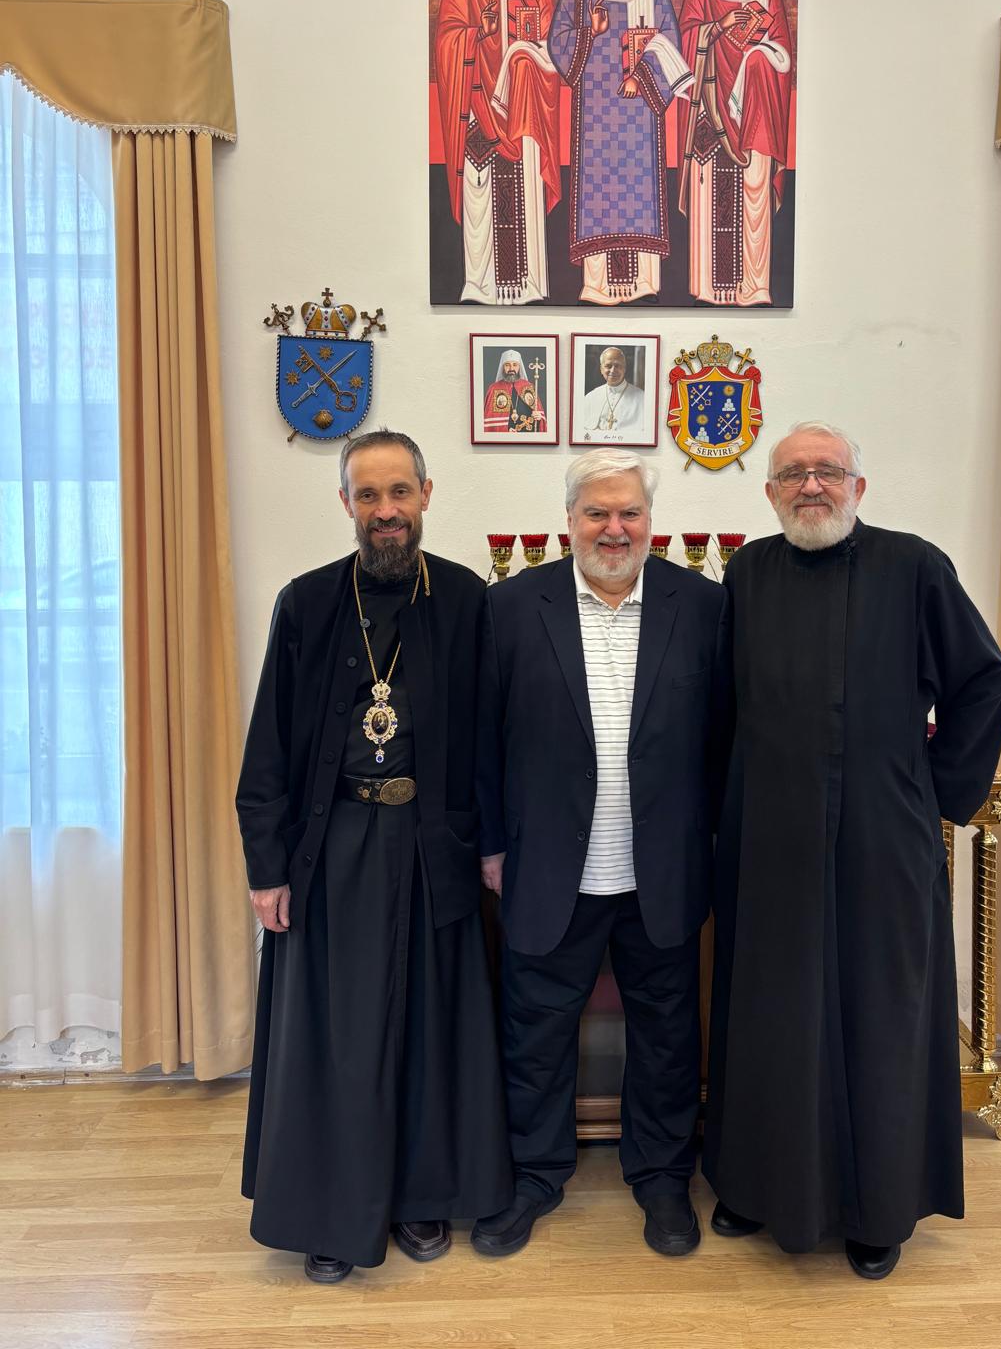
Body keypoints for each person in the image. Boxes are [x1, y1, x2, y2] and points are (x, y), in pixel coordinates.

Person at [704, 421, 1001, 1280]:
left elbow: (983, 680)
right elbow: (722, 705)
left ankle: (879, 1207)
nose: (812, 485)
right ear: (770, 492)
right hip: (770, 839)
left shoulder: (915, 568)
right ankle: (756, 1185)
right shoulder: (747, 574)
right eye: (794, 473)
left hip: (883, 838)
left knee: (882, 1016)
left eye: (828, 471)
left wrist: (932, 790)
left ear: (858, 487)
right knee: (769, 1011)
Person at [237, 429, 511, 1282]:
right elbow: (268, 746)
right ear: (346, 504)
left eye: (399, 492)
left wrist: (493, 845)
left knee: (429, 1025)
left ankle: (420, 1195)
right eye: (368, 495)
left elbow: (492, 738)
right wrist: (266, 867)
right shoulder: (307, 602)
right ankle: (331, 1210)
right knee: (338, 1034)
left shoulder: (465, 598)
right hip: (333, 846)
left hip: (433, 843)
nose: (385, 510)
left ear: (426, 495)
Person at [472, 451, 729, 1258]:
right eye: (597, 513)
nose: (614, 529)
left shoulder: (705, 605)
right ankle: (533, 1175)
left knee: (667, 1036)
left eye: (629, 513)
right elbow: (481, 742)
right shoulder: (511, 607)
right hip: (548, 866)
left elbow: (726, 737)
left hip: (664, 869)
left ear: (651, 522)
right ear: (569, 521)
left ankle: (662, 1178)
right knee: (534, 1034)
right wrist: (490, 844)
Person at [549, 0, 692, 304]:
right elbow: (558, 38)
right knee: (598, 192)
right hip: (595, 107)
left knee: (638, 190)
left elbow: (670, 37)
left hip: (638, 109)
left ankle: (645, 283)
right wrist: (590, 33)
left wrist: (642, 76)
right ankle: (596, 284)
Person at [434, 0, 561, 305]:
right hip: (477, 100)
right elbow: (447, 37)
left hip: (522, 104)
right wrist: (477, 33)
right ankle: (480, 285)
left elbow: (550, 38)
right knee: (480, 192)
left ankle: (529, 286)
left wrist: (524, 50)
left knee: (523, 189)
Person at [678, 0, 793, 306]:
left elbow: (783, 48)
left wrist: (759, 52)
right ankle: (709, 289)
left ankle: (755, 287)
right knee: (711, 191)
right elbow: (687, 35)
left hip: (755, 106)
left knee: (753, 187)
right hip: (711, 101)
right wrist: (720, 26)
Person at [578, 346, 647, 441]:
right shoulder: (590, 397)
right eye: (608, 366)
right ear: (601, 369)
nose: (613, 370)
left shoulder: (642, 398)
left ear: (624, 369)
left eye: (617, 366)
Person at [483, 347, 546, 434]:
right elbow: (490, 420)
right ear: (503, 367)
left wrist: (539, 417)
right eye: (507, 365)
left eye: (515, 365)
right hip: (505, 438)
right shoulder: (494, 388)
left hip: (527, 436)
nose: (511, 368)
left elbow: (540, 417)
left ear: (519, 367)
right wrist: (505, 431)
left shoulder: (529, 387)